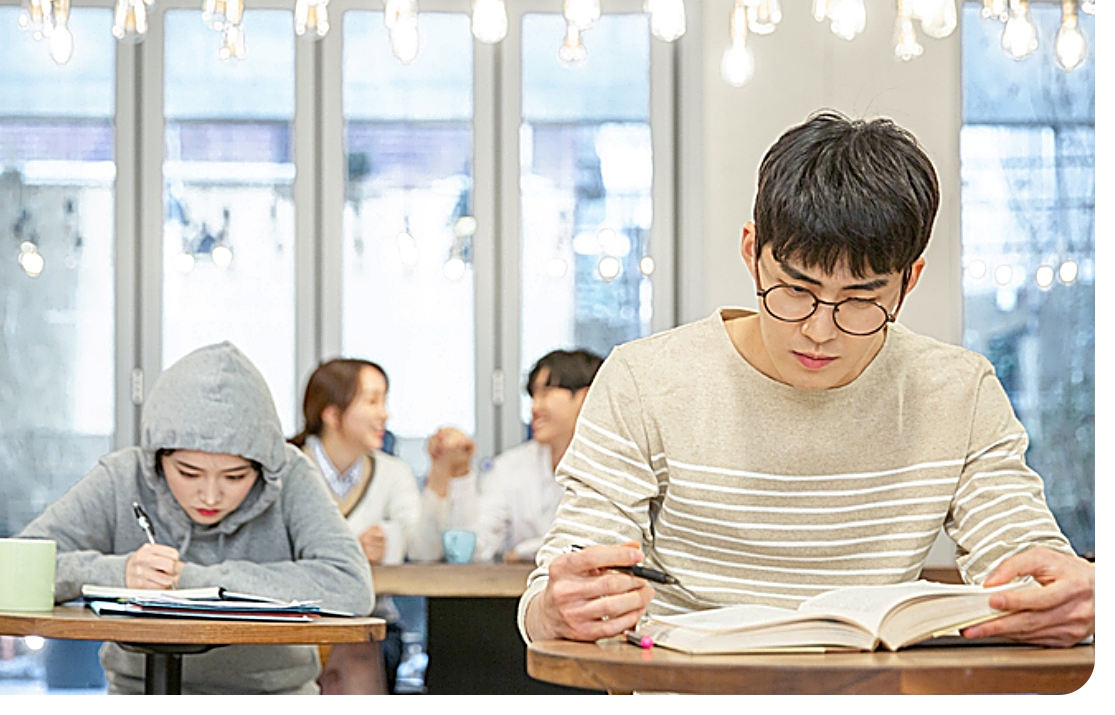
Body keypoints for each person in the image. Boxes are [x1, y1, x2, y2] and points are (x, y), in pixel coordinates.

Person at [518, 111, 1095, 649]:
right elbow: (559, 583)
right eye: (796, 290)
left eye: (861, 300)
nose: (820, 332)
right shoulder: (645, 381)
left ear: (909, 280)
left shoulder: (958, 392)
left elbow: (1024, 557)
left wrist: (1067, 598)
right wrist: (555, 610)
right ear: (752, 252)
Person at [4, 341, 374, 694]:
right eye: (188, 473)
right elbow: (8, 573)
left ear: (264, 468)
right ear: (157, 457)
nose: (210, 496)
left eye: (235, 477)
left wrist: (190, 581)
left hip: (273, 696)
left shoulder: (291, 474)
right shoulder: (123, 476)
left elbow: (350, 585)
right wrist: (119, 575)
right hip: (141, 694)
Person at [287, 358, 433, 694]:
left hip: (369, 625)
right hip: (291, 623)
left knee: (355, 643)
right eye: (372, 401)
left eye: (384, 401)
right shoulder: (287, 468)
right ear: (331, 413)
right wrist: (353, 550)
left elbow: (421, 546)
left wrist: (390, 542)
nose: (384, 415)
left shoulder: (393, 472)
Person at [417, 348, 604, 564]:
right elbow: (476, 548)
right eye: (533, 396)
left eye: (545, 393)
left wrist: (524, 551)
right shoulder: (511, 465)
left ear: (586, 397)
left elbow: (598, 542)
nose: (535, 407)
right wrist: (461, 471)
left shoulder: (615, 465)